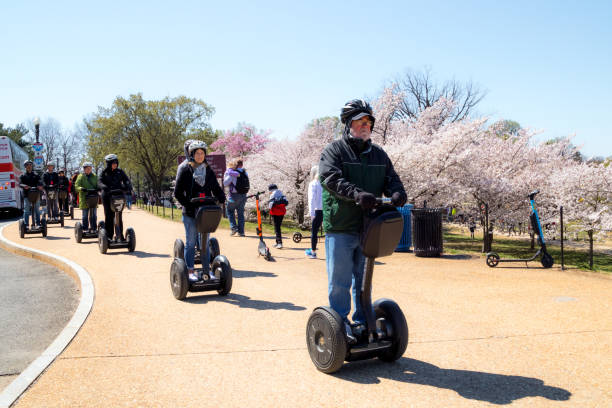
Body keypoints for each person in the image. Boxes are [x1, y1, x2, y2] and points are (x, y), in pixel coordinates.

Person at [319, 98, 406, 343]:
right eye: (360, 121)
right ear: (348, 124)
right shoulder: (334, 151)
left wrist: (398, 192)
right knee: (340, 280)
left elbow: (392, 179)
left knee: (363, 278)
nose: (365, 125)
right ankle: (339, 324)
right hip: (342, 225)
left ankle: (361, 322)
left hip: (370, 226)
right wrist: (356, 194)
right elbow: (330, 178)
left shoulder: (379, 154)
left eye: (368, 121)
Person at [174, 141, 225, 282]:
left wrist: (221, 197)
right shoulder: (185, 169)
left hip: (205, 212)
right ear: (192, 154)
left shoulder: (207, 169)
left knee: (204, 244)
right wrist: (187, 204)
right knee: (190, 243)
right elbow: (177, 192)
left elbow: (215, 187)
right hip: (190, 212)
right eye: (197, 153)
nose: (200, 156)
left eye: (202, 153)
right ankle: (190, 270)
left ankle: (206, 271)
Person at [98, 154, 133, 241]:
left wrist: (128, 186)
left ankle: (119, 236)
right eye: (113, 163)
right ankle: (109, 236)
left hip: (118, 195)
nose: (115, 164)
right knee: (109, 216)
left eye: (116, 162)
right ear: (109, 163)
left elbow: (126, 180)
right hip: (107, 196)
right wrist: (104, 187)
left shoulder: (120, 172)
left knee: (119, 216)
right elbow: (99, 182)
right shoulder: (104, 172)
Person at [223, 159, 248, 236]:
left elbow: (225, 183)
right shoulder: (245, 172)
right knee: (240, 213)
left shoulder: (233, 173)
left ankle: (234, 228)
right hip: (243, 195)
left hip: (234, 195)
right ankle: (241, 232)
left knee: (230, 210)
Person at [74, 162, 98, 232]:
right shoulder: (80, 176)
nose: (89, 170)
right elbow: (76, 186)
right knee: (85, 215)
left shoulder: (94, 176)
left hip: (93, 197)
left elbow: (98, 184)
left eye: (90, 168)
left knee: (94, 214)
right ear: (84, 169)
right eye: (87, 168)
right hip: (84, 197)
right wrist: (81, 188)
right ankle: (85, 228)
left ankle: (94, 228)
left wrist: (99, 188)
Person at [19, 160, 44, 227]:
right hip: (27, 195)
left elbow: (40, 182)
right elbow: (20, 184)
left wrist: (40, 186)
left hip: (36, 194)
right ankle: (26, 224)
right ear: (25, 167)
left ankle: (38, 223)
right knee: (26, 209)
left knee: (37, 209)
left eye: (30, 165)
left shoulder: (36, 175)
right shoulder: (23, 176)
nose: (29, 166)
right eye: (27, 165)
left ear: (32, 166)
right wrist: (25, 186)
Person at [306, 165, 323, 259]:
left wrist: (311, 213)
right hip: (326, 210)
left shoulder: (313, 183)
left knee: (314, 232)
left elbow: (311, 199)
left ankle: (313, 252)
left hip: (317, 210)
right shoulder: (325, 183)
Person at [268, 184, 288, 249]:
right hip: (282, 212)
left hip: (275, 212)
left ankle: (279, 243)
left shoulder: (272, 194)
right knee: (278, 227)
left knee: (277, 228)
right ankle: (277, 242)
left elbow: (270, 205)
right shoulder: (281, 193)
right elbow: (286, 203)